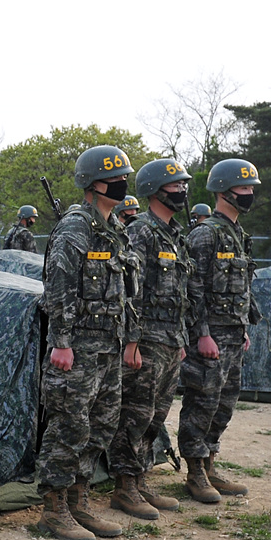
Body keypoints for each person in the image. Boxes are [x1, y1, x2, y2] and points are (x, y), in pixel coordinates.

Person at [34, 146, 139, 540]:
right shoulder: (75, 226)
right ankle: (54, 508)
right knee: (69, 425)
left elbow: (126, 292)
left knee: (101, 425)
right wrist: (60, 341)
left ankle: (80, 499)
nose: (122, 184)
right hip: (75, 350)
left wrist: (131, 337)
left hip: (108, 348)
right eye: (115, 177)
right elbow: (58, 286)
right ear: (93, 183)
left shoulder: (116, 229)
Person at [106, 159, 192, 520]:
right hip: (147, 340)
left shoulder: (174, 234)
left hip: (171, 340)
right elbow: (132, 292)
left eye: (184, 185)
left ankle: (140, 479)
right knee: (136, 415)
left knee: (156, 416)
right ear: (156, 189)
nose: (182, 192)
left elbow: (182, 292)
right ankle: (124, 486)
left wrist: (182, 337)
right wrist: (132, 341)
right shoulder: (141, 231)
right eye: (175, 186)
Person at [178, 159, 262, 502]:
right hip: (209, 336)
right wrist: (202, 333)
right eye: (244, 188)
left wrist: (242, 327)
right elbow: (192, 287)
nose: (250, 194)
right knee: (202, 401)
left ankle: (210, 462)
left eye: (251, 188)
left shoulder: (238, 234)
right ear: (225, 191)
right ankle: (195, 471)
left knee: (224, 403)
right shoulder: (205, 233)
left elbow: (241, 285)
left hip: (232, 333)